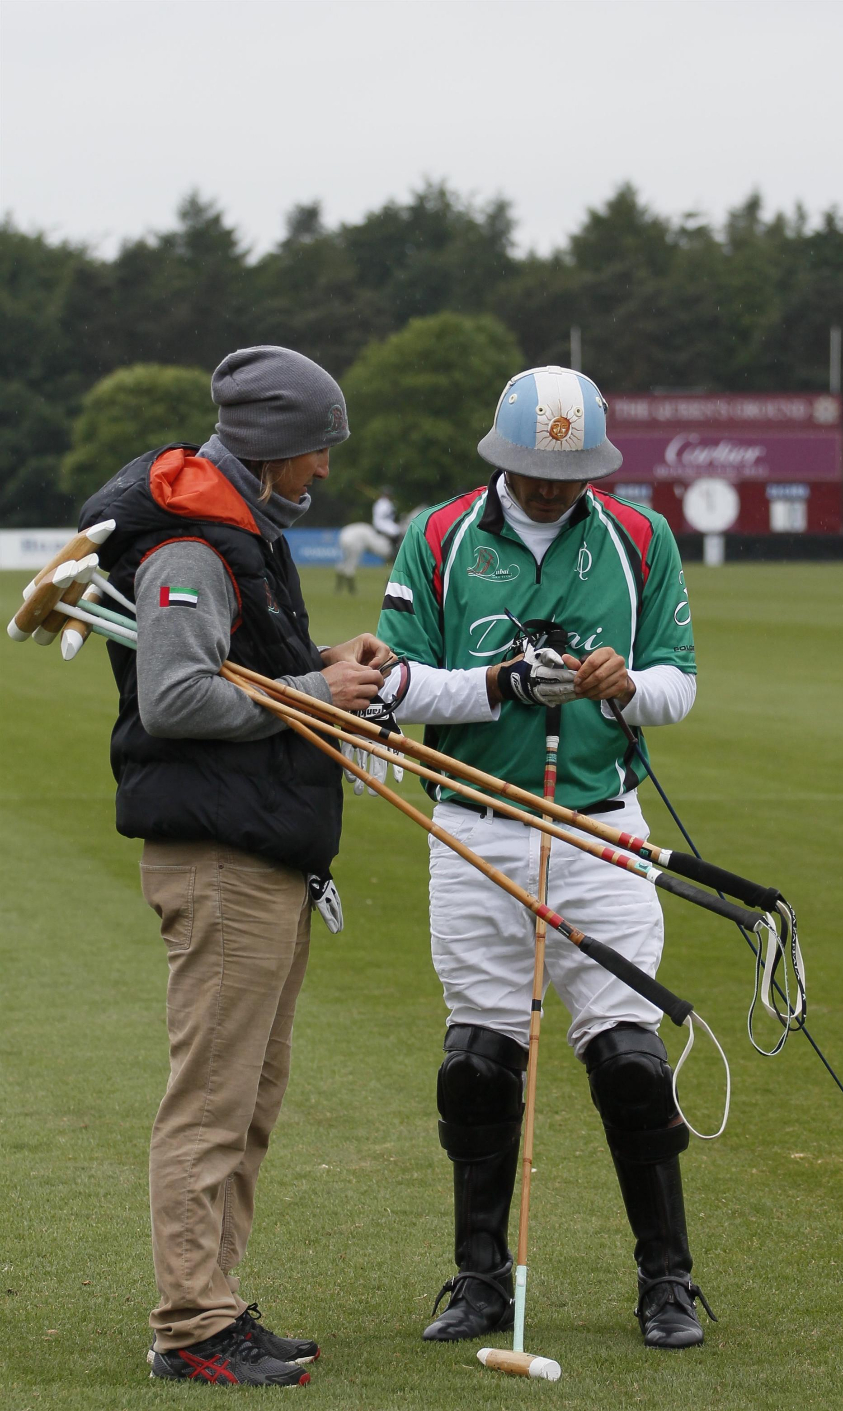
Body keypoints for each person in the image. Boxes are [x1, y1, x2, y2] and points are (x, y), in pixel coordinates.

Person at [375, 365, 710, 1350]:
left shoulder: (639, 538)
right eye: (534, 470)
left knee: (631, 1063)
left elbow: (677, 686)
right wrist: (500, 685)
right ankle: (477, 1280)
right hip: (473, 826)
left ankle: (669, 1281)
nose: (553, 487)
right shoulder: (437, 536)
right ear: (499, 456)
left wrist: (617, 688)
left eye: (570, 473)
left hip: (601, 830)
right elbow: (394, 684)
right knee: (478, 1062)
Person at [78, 345, 392, 1386]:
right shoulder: (192, 549)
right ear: (270, 444)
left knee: (248, 1097)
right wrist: (314, 697)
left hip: (258, 846)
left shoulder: (238, 527)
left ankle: (211, 1305)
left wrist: (319, 674)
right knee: (214, 1098)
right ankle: (191, 1321)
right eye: (316, 450)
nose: (325, 473)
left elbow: (241, 675)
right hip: (219, 855)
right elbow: (175, 700)